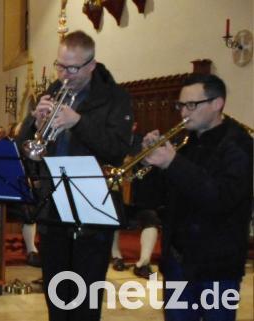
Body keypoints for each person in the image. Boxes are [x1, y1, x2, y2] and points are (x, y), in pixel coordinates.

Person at [17, 30, 133, 321]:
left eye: (72, 68)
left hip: (91, 208)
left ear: (91, 65)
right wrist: (34, 123)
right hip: (52, 206)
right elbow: (25, 148)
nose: (64, 75)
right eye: (60, 66)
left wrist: (78, 122)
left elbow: (117, 150)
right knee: (56, 299)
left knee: (85, 302)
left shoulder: (115, 98)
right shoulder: (54, 90)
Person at [135, 74, 252, 321]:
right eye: (181, 105)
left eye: (191, 105)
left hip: (218, 267)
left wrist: (173, 163)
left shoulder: (239, 145)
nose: (184, 112)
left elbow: (220, 198)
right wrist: (149, 163)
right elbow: (154, 200)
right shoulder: (186, 142)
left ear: (217, 103)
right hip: (178, 262)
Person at [110, 122, 160, 278]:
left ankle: (143, 263)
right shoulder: (112, 142)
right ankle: (116, 256)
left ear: (135, 126)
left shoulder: (142, 142)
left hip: (139, 197)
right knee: (111, 214)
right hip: (116, 196)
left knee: (151, 218)